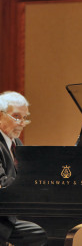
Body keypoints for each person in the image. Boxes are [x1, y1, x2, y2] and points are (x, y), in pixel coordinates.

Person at [0, 91, 47, 245]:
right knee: (43, 232)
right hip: (3, 216)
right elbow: (3, 184)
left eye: (25, 118)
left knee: (46, 226)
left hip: (12, 212)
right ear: (0, 115)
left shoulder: (17, 144)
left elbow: (27, 176)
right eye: (17, 116)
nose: (22, 123)